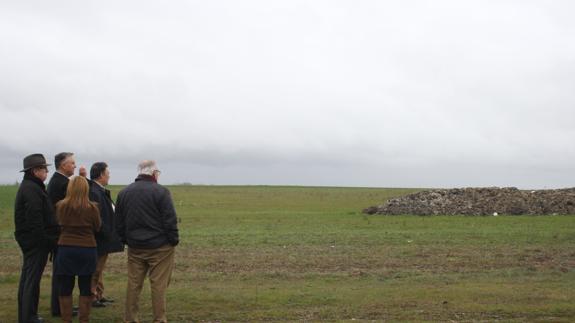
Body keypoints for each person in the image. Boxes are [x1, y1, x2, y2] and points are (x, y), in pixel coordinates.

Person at [116, 160, 179, 323]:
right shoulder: (161, 192)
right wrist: (173, 240)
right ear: (154, 173)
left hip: (135, 246)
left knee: (134, 284)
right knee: (159, 285)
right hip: (160, 247)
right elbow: (170, 220)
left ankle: (130, 319)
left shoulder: (124, 193)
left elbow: (119, 222)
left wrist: (126, 240)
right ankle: (159, 319)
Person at [14, 154, 60, 323]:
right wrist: (46, 241)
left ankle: (28, 315)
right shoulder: (31, 189)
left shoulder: (32, 186)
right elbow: (35, 219)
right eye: (43, 169)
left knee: (28, 278)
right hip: (35, 242)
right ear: (34, 171)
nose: (47, 172)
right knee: (31, 281)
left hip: (31, 240)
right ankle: (28, 317)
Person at [54, 176, 101, 323]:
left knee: (65, 288)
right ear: (86, 189)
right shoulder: (92, 207)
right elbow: (98, 227)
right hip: (87, 249)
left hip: (66, 249)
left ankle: (66, 320)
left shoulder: (61, 206)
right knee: (85, 288)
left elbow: (58, 225)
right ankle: (84, 320)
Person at [47, 152, 86, 317]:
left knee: (61, 274)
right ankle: (59, 308)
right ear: (63, 165)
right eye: (72, 163)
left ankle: (61, 307)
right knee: (60, 275)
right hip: (61, 234)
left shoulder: (58, 180)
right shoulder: (61, 183)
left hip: (59, 233)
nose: (75, 166)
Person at [88, 162, 123, 308]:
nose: (109, 175)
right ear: (101, 174)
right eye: (107, 173)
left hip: (104, 238)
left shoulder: (99, 190)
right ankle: (92, 297)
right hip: (100, 239)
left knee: (99, 269)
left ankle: (99, 294)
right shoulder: (95, 192)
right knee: (95, 269)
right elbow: (97, 218)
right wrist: (107, 233)